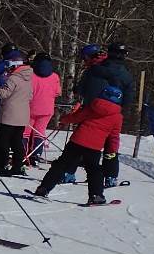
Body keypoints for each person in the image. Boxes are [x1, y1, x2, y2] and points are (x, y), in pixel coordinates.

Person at [34, 84, 123, 206]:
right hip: (94, 146)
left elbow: (76, 117)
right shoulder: (117, 117)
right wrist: (112, 150)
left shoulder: (92, 106)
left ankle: (43, 188)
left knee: (61, 164)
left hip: (77, 141)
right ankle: (96, 196)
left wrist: (64, 119)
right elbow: (114, 136)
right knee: (94, 170)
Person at [80, 42, 135, 187]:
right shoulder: (126, 75)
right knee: (111, 145)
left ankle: (70, 173)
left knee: (83, 142)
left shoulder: (95, 69)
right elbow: (129, 97)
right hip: (114, 115)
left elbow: (82, 89)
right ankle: (110, 176)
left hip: (92, 111)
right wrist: (122, 111)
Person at [0, 58, 34, 176]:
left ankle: (0, 165)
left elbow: (4, 93)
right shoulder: (28, 78)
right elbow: (31, 96)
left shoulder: (13, 78)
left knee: (3, 141)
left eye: (10, 67)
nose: (8, 69)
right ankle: (18, 166)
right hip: (22, 116)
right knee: (17, 141)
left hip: (9, 116)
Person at [25, 53, 62, 168]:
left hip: (29, 107)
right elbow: (58, 92)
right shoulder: (55, 76)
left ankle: (23, 154)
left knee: (25, 132)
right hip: (47, 109)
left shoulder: (29, 74)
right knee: (40, 132)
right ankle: (35, 155)